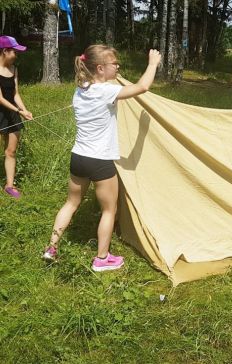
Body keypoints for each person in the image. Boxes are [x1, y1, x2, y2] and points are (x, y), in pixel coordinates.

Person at [42, 45, 162, 272]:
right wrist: (152, 63)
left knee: (71, 203)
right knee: (109, 210)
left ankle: (51, 248)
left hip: (79, 157)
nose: (117, 67)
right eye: (114, 64)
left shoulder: (81, 90)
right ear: (100, 68)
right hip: (99, 161)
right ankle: (102, 258)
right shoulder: (105, 91)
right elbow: (143, 87)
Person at [0, 35, 33, 199]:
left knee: (11, 151)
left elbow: (15, 94)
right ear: (5, 51)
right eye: (14, 51)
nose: (16, 55)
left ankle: (9, 186)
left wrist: (24, 110)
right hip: (2, 110)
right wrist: (19, 111)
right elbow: (0, 98)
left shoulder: (14, 69)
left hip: (12, 112)